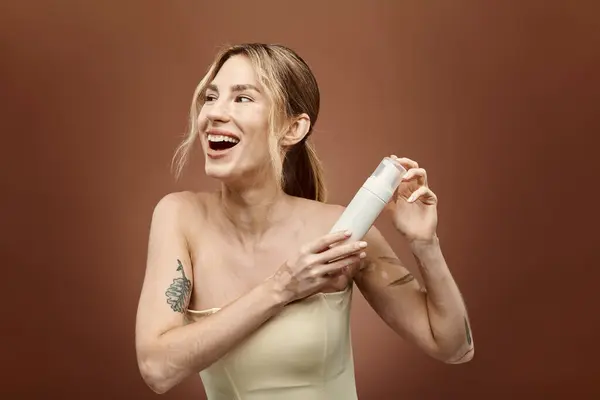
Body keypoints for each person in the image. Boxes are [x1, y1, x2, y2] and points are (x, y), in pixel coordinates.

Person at [134, 43, 474, 399]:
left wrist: (425, 244)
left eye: (242, 99)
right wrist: (282, 287)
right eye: (211, 97)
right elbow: (158, 368)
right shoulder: (179, 217)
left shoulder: (342, 233)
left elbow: (453, 347)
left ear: (292, 129)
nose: (214, 114)